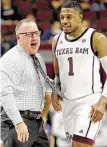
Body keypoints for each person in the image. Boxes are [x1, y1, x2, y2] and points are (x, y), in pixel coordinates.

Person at [51, 1, 107, 147]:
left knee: (80, 144)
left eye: (69, 17)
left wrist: (102, 101)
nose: (64, 21)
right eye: (62, 17)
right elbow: (57, 71)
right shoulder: (56, 40)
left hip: (89, 101)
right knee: (78, 144)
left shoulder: (96, 38)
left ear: (80, 17)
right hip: (68, 102)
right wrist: (54, 90)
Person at [0, 19, 52, 147]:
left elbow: (45, 88)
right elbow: (5, 94)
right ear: (18, 38)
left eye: (36, 33)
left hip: (37, 121)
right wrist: (18, 122)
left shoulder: (39, 58)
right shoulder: (9, 60)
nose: (34, 37)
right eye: (29, 34)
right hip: (17, 120)